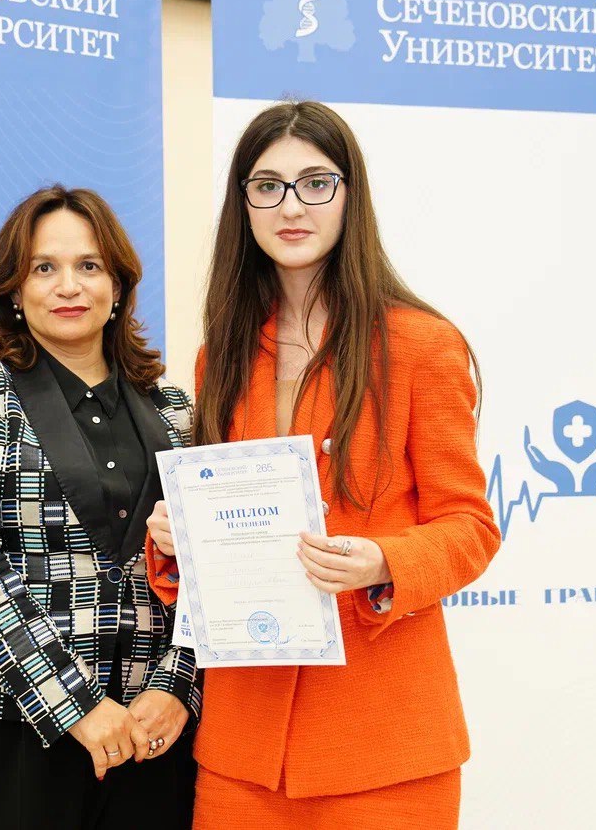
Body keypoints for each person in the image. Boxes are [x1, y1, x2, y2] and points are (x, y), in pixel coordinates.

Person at [145, 101, 501, 828]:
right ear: (243, 204)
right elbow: (221, 530)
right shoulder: (222, 355)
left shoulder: (422, 345)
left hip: (384, 744)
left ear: (350, 195)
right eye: (267, 186)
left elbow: (470, 527)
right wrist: (177, 538)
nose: (291, 206)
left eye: (315, 183)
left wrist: (384, 561)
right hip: (243, 750)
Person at [0, 185, 200, 829]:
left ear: (117, 286)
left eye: (88, 266)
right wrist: (78, 706)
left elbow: (210, 572)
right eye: (44, 268)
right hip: (8, 720)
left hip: (151, 727)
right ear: (15, 290)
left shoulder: (175, 408)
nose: (68, 286)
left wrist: (177, 685)